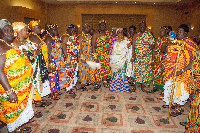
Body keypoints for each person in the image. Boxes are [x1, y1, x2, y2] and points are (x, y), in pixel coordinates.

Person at [0, 19, 33, 132]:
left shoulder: (9, 44)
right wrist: (10, 91)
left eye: (11, 30)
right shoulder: (1, 47)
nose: (10, 33)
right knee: (11, 111)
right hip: (9, 88)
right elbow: (0, 71)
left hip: (20, 87)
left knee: (18, 111)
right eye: (6, 31)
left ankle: (18, 128)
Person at [162, 24, 198, 117]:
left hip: (184, 72)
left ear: (185, 33)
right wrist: (167, 44)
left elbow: (194, 60)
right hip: (172, 70)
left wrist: (181, 70)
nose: (178, 33)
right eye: (177, 31)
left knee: (181, 90)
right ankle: (171, 102)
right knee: (170, 86)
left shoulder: (190, 44)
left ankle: (178, 107)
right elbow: (166, 52)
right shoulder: (175, 42)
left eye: (180, 31)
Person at [28, 20, 51, 106]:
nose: (40, 29)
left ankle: (39, 98)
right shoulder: (32, 37)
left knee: (40, 80)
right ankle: (37, 101)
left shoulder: (37, 36)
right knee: (37, 80)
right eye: (38, 27)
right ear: (33, 28)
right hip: (37, 62)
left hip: (42, 61)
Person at [44, 24, 66, 100]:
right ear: (49, 30)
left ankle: (55, 90)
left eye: (56, 29)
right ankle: (52, 93)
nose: (56, 31)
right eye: (54, 29)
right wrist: (51, 63)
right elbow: (48, 52)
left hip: (57, 59)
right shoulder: (48, 38)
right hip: (52, 60)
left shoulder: (55, 38)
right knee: (52, 76)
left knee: (56, 76)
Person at [132, 21, 155, 92]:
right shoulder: (136, 35)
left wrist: (151, 46)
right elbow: (133, 47)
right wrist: (133, 56)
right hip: (138, 57)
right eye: (140, 26)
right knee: (137, 71)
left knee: (144, 72)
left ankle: (142, 86)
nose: (141, 28)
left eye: (143, 26)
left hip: (146, 58)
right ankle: (135, 85)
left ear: (145, 27)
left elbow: (153, 46)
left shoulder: (149, 35)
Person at [91, 20, 111, 89]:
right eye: (102, 25)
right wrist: (95, 56)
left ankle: (105, 81)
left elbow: (110, 45)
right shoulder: (95, 34)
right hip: (99, 54)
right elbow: (93, 46)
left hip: (105, 54)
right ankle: (98, 82)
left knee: (105, 68)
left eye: (104, 25)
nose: (103, 26)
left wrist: (108, 55)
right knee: (98, 68)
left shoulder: (107, 34)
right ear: (99, 26)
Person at [184, 49, 200, 132]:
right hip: (194, 81)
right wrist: (182, 70)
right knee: (193, 105)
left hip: (198, 83)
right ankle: (190, 124)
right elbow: (194, 61)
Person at [61, 24, 79, 93]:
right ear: (67, 29)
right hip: (68, 58)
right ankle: (68, 88)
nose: (72, 31)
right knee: (68, 73)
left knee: (74, 72)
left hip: (74, 58)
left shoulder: (74, 37)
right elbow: (63, 48)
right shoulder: (65, 37)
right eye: (71, 29)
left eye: (74, 29)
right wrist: (67, 58)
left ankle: (73, 85)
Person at [78, 24, 95, 90]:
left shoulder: (89, 36)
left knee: (90, 69)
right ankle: (83, 84)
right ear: (83, 28)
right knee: (83, 70)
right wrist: (82, 57)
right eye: (87, 27)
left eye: (89, 26)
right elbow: (79, 47)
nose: (88, 28)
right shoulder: (80, 36)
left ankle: (89, 81)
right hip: (83, 55)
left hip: (89, 55)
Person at [153, 26, 169, 94]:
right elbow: (154, 49)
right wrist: (153, 59)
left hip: (164, 59)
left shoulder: (168, 40)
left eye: (162, 30)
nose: (161, 32)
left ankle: (161, 88)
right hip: (157, 59)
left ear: (166, 31)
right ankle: (156, 86)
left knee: (162, 74)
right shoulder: (157, 39)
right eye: (160, 30)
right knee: (156, 73)